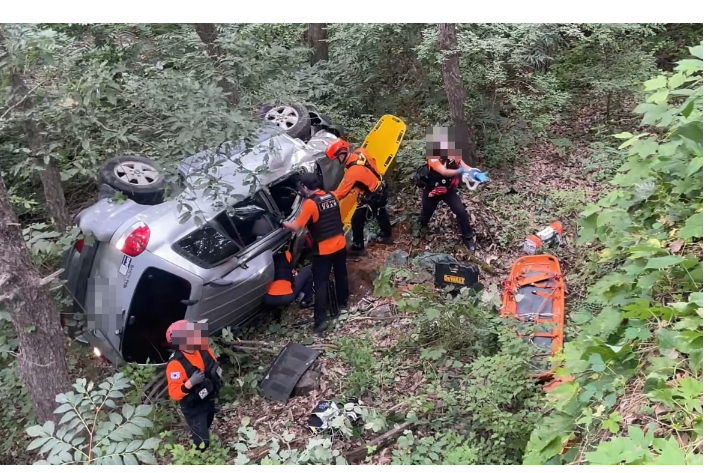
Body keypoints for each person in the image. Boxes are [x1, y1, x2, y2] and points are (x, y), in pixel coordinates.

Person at [282, 173, 349, 333]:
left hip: (324, 249)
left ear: (305, 187)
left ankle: (320, 321)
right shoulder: (332, 196)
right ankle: (342, 303)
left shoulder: (310, 204)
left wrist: (284, 223)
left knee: (320, 283)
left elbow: (298, 227)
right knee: (341, 274)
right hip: (340, 243)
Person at [326, 138, 392, 256]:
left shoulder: (352, 173)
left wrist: (324, 198)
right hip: (381, 187)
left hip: (373, 196)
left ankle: (358, 246)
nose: (336, 161)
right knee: (380, 211)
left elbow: (341, 193)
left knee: (356, 220)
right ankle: (387, 235)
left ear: (341, 154)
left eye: (336, 158)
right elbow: (373, 161)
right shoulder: (360, 152)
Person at [165, 320, 222, 450]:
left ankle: (202, 436)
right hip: (193, 405)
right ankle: (197, 454)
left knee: (207, 423)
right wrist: (190, 382)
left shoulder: (202, 347)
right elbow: (174, 393)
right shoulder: (176, 364)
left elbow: (213, 362)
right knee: (202, 441)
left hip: (208, 396)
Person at [417, 130, 479, 250]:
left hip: (448, 190)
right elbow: (443, 171)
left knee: (460, 211)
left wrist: (474, 171)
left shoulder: (454, 154)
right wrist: (460, 172)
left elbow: (463, 165)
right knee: (426, 211)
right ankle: (420, 227)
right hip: (432, 190)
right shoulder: (433, 156)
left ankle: (468, 236)